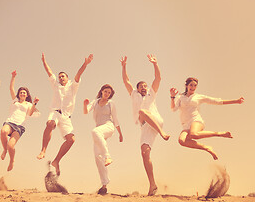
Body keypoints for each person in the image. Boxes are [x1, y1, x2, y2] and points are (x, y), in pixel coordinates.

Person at [37, 52, 93, 176]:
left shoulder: (73, 86)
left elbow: (78, 74)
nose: (61, 78)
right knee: (50, 123)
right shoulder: (55, 85)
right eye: (60, 76)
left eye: (63, 76)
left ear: (67, 78)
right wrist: (44, 62)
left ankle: (56, 161)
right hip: (55, 112)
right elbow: (50, 72)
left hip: (66, 117)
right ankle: (43, 150)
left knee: (71, 140)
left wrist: (85, 64)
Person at [120, 54, 169, 196]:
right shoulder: (133, 94)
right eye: (141, 86)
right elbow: (126, 81)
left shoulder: (151, 94)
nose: (144, 87)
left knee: (142, 111)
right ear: (137, 88)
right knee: (144, 152)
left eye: (145, 86)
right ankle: (153, 185)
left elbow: (158, 78)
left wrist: (155, 63)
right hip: (145, 126)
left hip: (155, 121)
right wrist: (124, 66)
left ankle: (162, 132)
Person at [170, 77, 244, 160]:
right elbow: (173, 109)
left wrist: (236, 101)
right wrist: (172, 97)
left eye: (195, 86)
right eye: (191, 85)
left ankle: (219, 133)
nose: (193, 87)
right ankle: (207, 148)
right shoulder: (180, 97)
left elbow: (216, 101)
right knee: (182, 141)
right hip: (185, 125)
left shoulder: (198, 96)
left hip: (196, 120)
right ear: (186, 85)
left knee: (194, 134)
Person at [83, 84, 123, 195]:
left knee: (95, 132)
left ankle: (108, 156)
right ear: (101, 91)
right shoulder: (95, 102)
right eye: (105, 91)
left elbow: (115, 119)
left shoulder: (111, 103)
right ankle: (104, 185)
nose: (107, 94)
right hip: (99, 130)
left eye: (109, 93)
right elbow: (86, 111)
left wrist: (120, 133)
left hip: (108, 127)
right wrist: (84, 104)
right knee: (97, 157)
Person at [0, 70, 39, 171]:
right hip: (10, 122)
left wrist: (34, 103)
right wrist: (13, 77)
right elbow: (11, 88)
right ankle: (4, 150)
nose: (22, 93)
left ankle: (12, 160)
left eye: (24, 93)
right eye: (21, 92)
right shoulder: (15, 100)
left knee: (11, 145)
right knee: (3, 131)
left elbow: (30, 114)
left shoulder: (29, 105)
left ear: (27, 95)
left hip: (19, 127)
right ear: (18, 94)